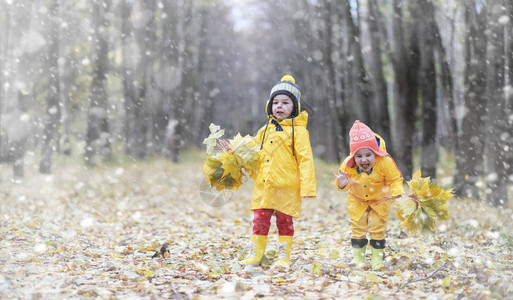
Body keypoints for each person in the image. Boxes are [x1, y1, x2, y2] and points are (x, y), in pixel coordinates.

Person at [219, 75, 316, 268]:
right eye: (276, 102)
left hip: (286, 187)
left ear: (294, 107)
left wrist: (308, 188)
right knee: (259, 220)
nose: (279, 106)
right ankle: (256, 254)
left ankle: (283, 256)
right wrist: (233, 151)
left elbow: (306, 160)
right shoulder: (264, 131)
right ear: (269, 106)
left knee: (284, 222)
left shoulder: (299, 133)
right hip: (264, 185)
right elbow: (252, 153)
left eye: (285, 103)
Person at [334, 120, 404, 270]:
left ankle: (377, 260)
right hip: (357, 200)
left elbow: (395, 179)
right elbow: (342, 187)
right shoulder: (348, 164)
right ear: (353, 157)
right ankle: (359, 259)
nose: (364, 159)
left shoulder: (385, 162)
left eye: (368, 155)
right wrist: (341, 183)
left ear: (376, 153)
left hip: (380, 201)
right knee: (358, 228)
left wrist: (397, 192)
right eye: (358, 156)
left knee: (376, 228)